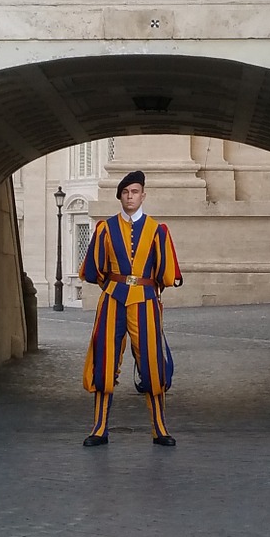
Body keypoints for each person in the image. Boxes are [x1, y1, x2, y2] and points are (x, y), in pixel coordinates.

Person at [78, 170, 182, 447]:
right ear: (120, 197)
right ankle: (99, 428)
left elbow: (166, 273)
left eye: (134, 192)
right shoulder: (105, 228)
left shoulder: (157, 230)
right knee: (104, 361)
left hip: (146, 300)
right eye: (125, 192)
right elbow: (95, 269)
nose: (130, 196)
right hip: (113, 298)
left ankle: (160, 429)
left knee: (152, 363)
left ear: (143, 195)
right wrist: (115, 285)